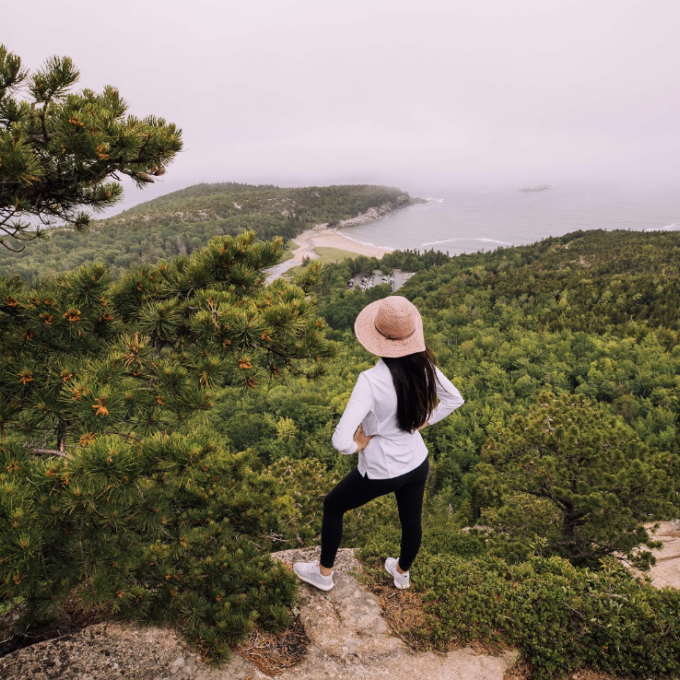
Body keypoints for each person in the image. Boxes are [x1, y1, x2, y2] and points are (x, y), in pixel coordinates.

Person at [293, 296, 464, 591]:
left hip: (382, 471)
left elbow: (339, 440)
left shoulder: (371, 380)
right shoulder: (425, 367)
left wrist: (356, 445)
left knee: (333, 505)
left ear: (376, 338)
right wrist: (425, 421)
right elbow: (454, 399)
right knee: (411, 522)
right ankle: (401, 573)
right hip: (416, 462)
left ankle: (323, 575)